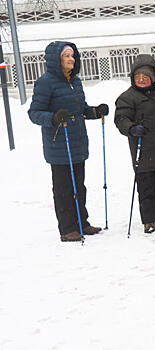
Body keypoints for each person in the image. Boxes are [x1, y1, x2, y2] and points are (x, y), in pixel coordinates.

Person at [28, 41, 109, 242]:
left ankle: (82, 222)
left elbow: (80, 110)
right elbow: (34, 113)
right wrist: (54, 118)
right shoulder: (46, 82)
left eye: (73, 55)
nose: (71, 59)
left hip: (77, 141)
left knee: (78, 186)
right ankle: (67, 228)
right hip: (59, 143)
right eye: (67, 56)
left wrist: (95, 112)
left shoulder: (75, 81)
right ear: (57, 60)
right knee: (64, 189)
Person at [114, 54, 155, 233]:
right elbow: (121, 118)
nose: (142, 79)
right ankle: (149, 219)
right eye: (138, 77)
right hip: (143, 151)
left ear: (153, 77)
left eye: (146, 76)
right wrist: (131, 128)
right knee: (147, 188)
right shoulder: (127, 97)